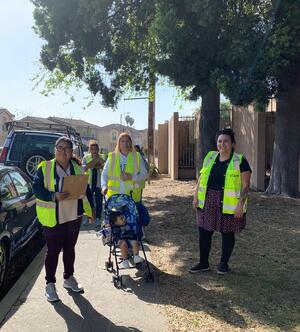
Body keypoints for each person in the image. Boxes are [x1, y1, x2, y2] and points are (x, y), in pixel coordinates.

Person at [33, 137, 95, 302]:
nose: (61, 150)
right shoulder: (45, 168)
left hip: (74, 216)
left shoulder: (77, 168)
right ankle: (50, 284)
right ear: (55, 149)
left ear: (71, 152)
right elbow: (36, 190)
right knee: (53, 252)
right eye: (59, 147)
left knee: (70, 249)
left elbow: (86, 191)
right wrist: (53, 196)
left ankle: (69, 278)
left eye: (65, 148)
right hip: (54, 218)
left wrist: (91, 211)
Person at [189, 128, 251, 275]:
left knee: (227, 233)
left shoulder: (240, 160)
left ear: (232, 144)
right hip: (208, 200)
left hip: (229, 203)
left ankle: (223, 264)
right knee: (204, 232)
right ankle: (203, 263)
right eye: (220, 141)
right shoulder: (210, 157)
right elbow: (201, 178)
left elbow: (245, 185)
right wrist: (195, 196)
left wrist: (240, 204)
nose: (222, 144)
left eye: (226, 141)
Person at [101, 132, 148, 268]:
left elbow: (144, 174)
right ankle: (124, 254)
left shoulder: (137, 156)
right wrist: (103, 186)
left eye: (128, 141)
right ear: (118, 144)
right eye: (122, 141)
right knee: (118, 228)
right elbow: (104, 175)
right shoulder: (112, 157)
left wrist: (132, 177)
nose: (125, 144)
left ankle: (133, 253)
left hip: (132, 200)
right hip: (115, 201)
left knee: (132, 226)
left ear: (131, 143)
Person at [82, 140, 105, 226]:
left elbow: (106, 168)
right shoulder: (86, 157)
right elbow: (82, 168)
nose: (94, 151)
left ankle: (98, 218)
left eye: (96, 149)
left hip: (99, 183)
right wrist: (89, 165)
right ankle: (87, 218)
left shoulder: (102, 157)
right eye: (92, 149)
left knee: (99, 202)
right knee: (88, 202)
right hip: (88, 183)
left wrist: (101, 165)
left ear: (98, 149)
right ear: (89, 150)